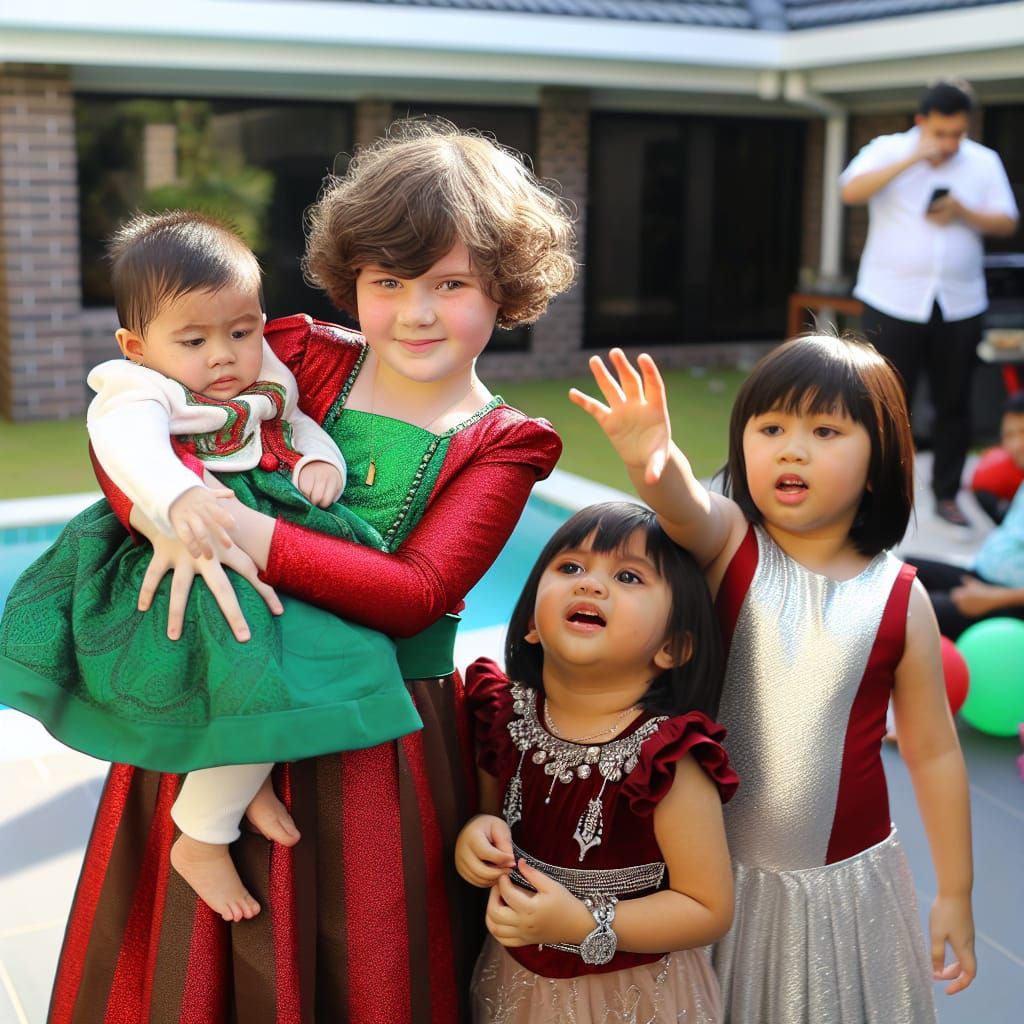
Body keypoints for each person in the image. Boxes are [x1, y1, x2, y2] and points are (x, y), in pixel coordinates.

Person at [39, 118, 577, 1023]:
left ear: (507, 287)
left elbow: (414, 597)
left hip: (375, 744)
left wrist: (238, 528)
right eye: (389, 282)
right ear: (352, 280)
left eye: (451, 284)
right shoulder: (300, 355)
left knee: (361, 954)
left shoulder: (504, 443)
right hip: (221, 694)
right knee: (192, 954)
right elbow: (140, 419)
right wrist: (161, 515)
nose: (415, 312)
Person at [0, 209, 424, 925]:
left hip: (259, 525)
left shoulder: (262, 376)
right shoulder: (142, 389)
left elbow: (289, 423)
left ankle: (239, 773)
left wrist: (319, 458)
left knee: (321, 646)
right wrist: (177, 495)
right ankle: (201, 834)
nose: (225, 356)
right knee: (247, 656)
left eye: (241, 330)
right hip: (182, 535)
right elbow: (126, 445)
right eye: (194, 340)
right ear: (139, 346)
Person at [571, 338, 976, 1023]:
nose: (792, 449)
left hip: (840, 891)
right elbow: (682, 506)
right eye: (771, 429)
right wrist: (653, 459)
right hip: (706, 879)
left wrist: (956, 892)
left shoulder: (899, 598)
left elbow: (933, 750)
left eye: (824, 431)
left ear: (879, 461)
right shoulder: (732, 543)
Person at [456, 501, 737, 1023]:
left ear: (673, 647)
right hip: (512, 985)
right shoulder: (504, 717)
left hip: (631, 998)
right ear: (532, 626)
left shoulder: (669, 758)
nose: (590, 585)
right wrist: (477, 838)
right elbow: (487, 815)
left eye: (629, 576)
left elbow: (708, 909)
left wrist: (585, 922)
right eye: (570, 568)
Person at [840, 78, 1019, 529]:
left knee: (954, 402)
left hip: (959, 302)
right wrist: (914, 158)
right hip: (892, 298)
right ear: (922, 122)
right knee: (880, 401)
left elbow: (1007, 220)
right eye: (941, 133)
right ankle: (873, 495)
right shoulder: (888, 148)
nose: (950, 143)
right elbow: (850, 192)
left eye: (958, 133)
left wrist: (963, 212)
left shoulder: (983, 162)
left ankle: (945, 495)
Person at [908, 390, 1024, 637]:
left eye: (1022, 433)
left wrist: (992, 598)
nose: (1015, 445)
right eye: (1008, 436)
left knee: (909, 612)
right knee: (902, 570)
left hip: (1009, 601)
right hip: (983, 575)